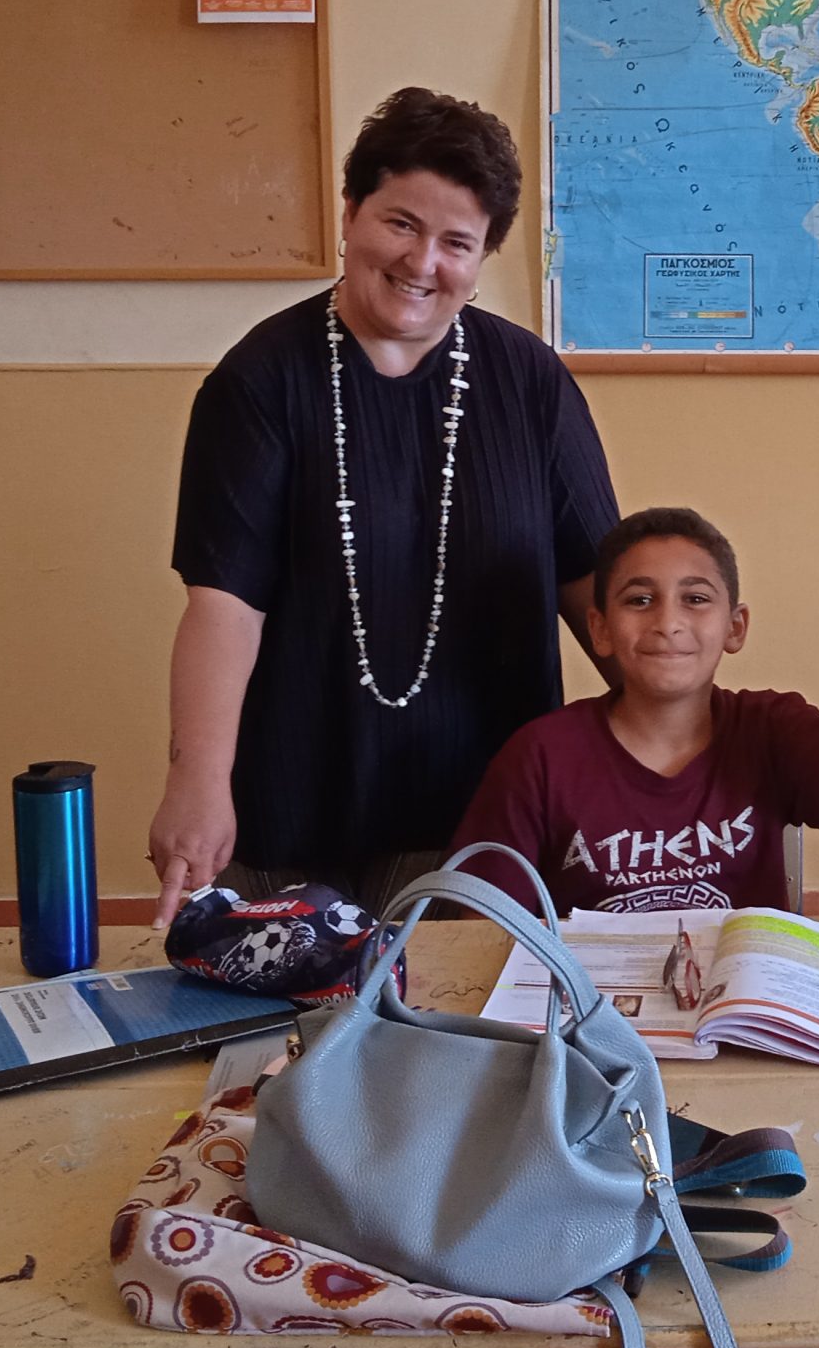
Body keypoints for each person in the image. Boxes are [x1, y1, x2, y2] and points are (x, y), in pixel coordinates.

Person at [451, 500, 819, 1348]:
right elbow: (476, 927)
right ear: (598, 629)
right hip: (599, 1090)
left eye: (695, 599)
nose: (668, 621)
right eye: (638, 599)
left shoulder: (765, 728)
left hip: (760, 1071)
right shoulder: (543, 754)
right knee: (545, 1256)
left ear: (736, 626)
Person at [149, 87, 619, 928]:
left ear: (482, 258)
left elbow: (603, 599)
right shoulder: (258, 383)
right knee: (282, 1014)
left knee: (462, 1013)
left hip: (483, 816)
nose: (422, 262)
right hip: (293, 804)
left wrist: (681, 759)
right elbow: (224, 606)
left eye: (457, 242)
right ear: (350, 214)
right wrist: (196, 781)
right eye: (401, 223)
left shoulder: (531, 383)